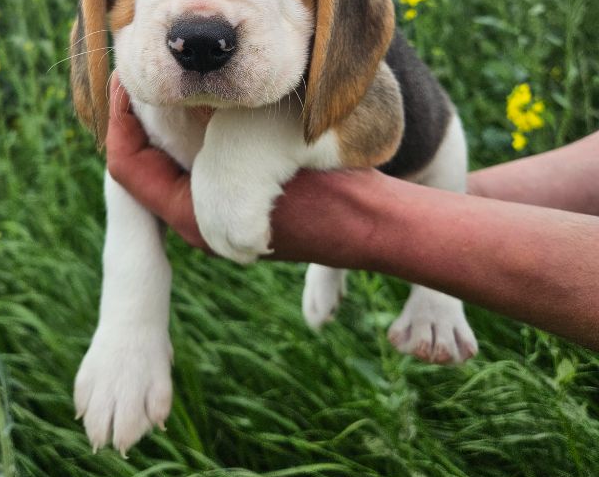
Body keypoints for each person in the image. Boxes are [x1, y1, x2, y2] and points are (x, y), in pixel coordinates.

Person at [104, 79, 599, 351]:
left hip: (423, 154)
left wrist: (361, 226)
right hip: (402, 191)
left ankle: (436, 297)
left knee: (438, 131)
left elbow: (380, 116)